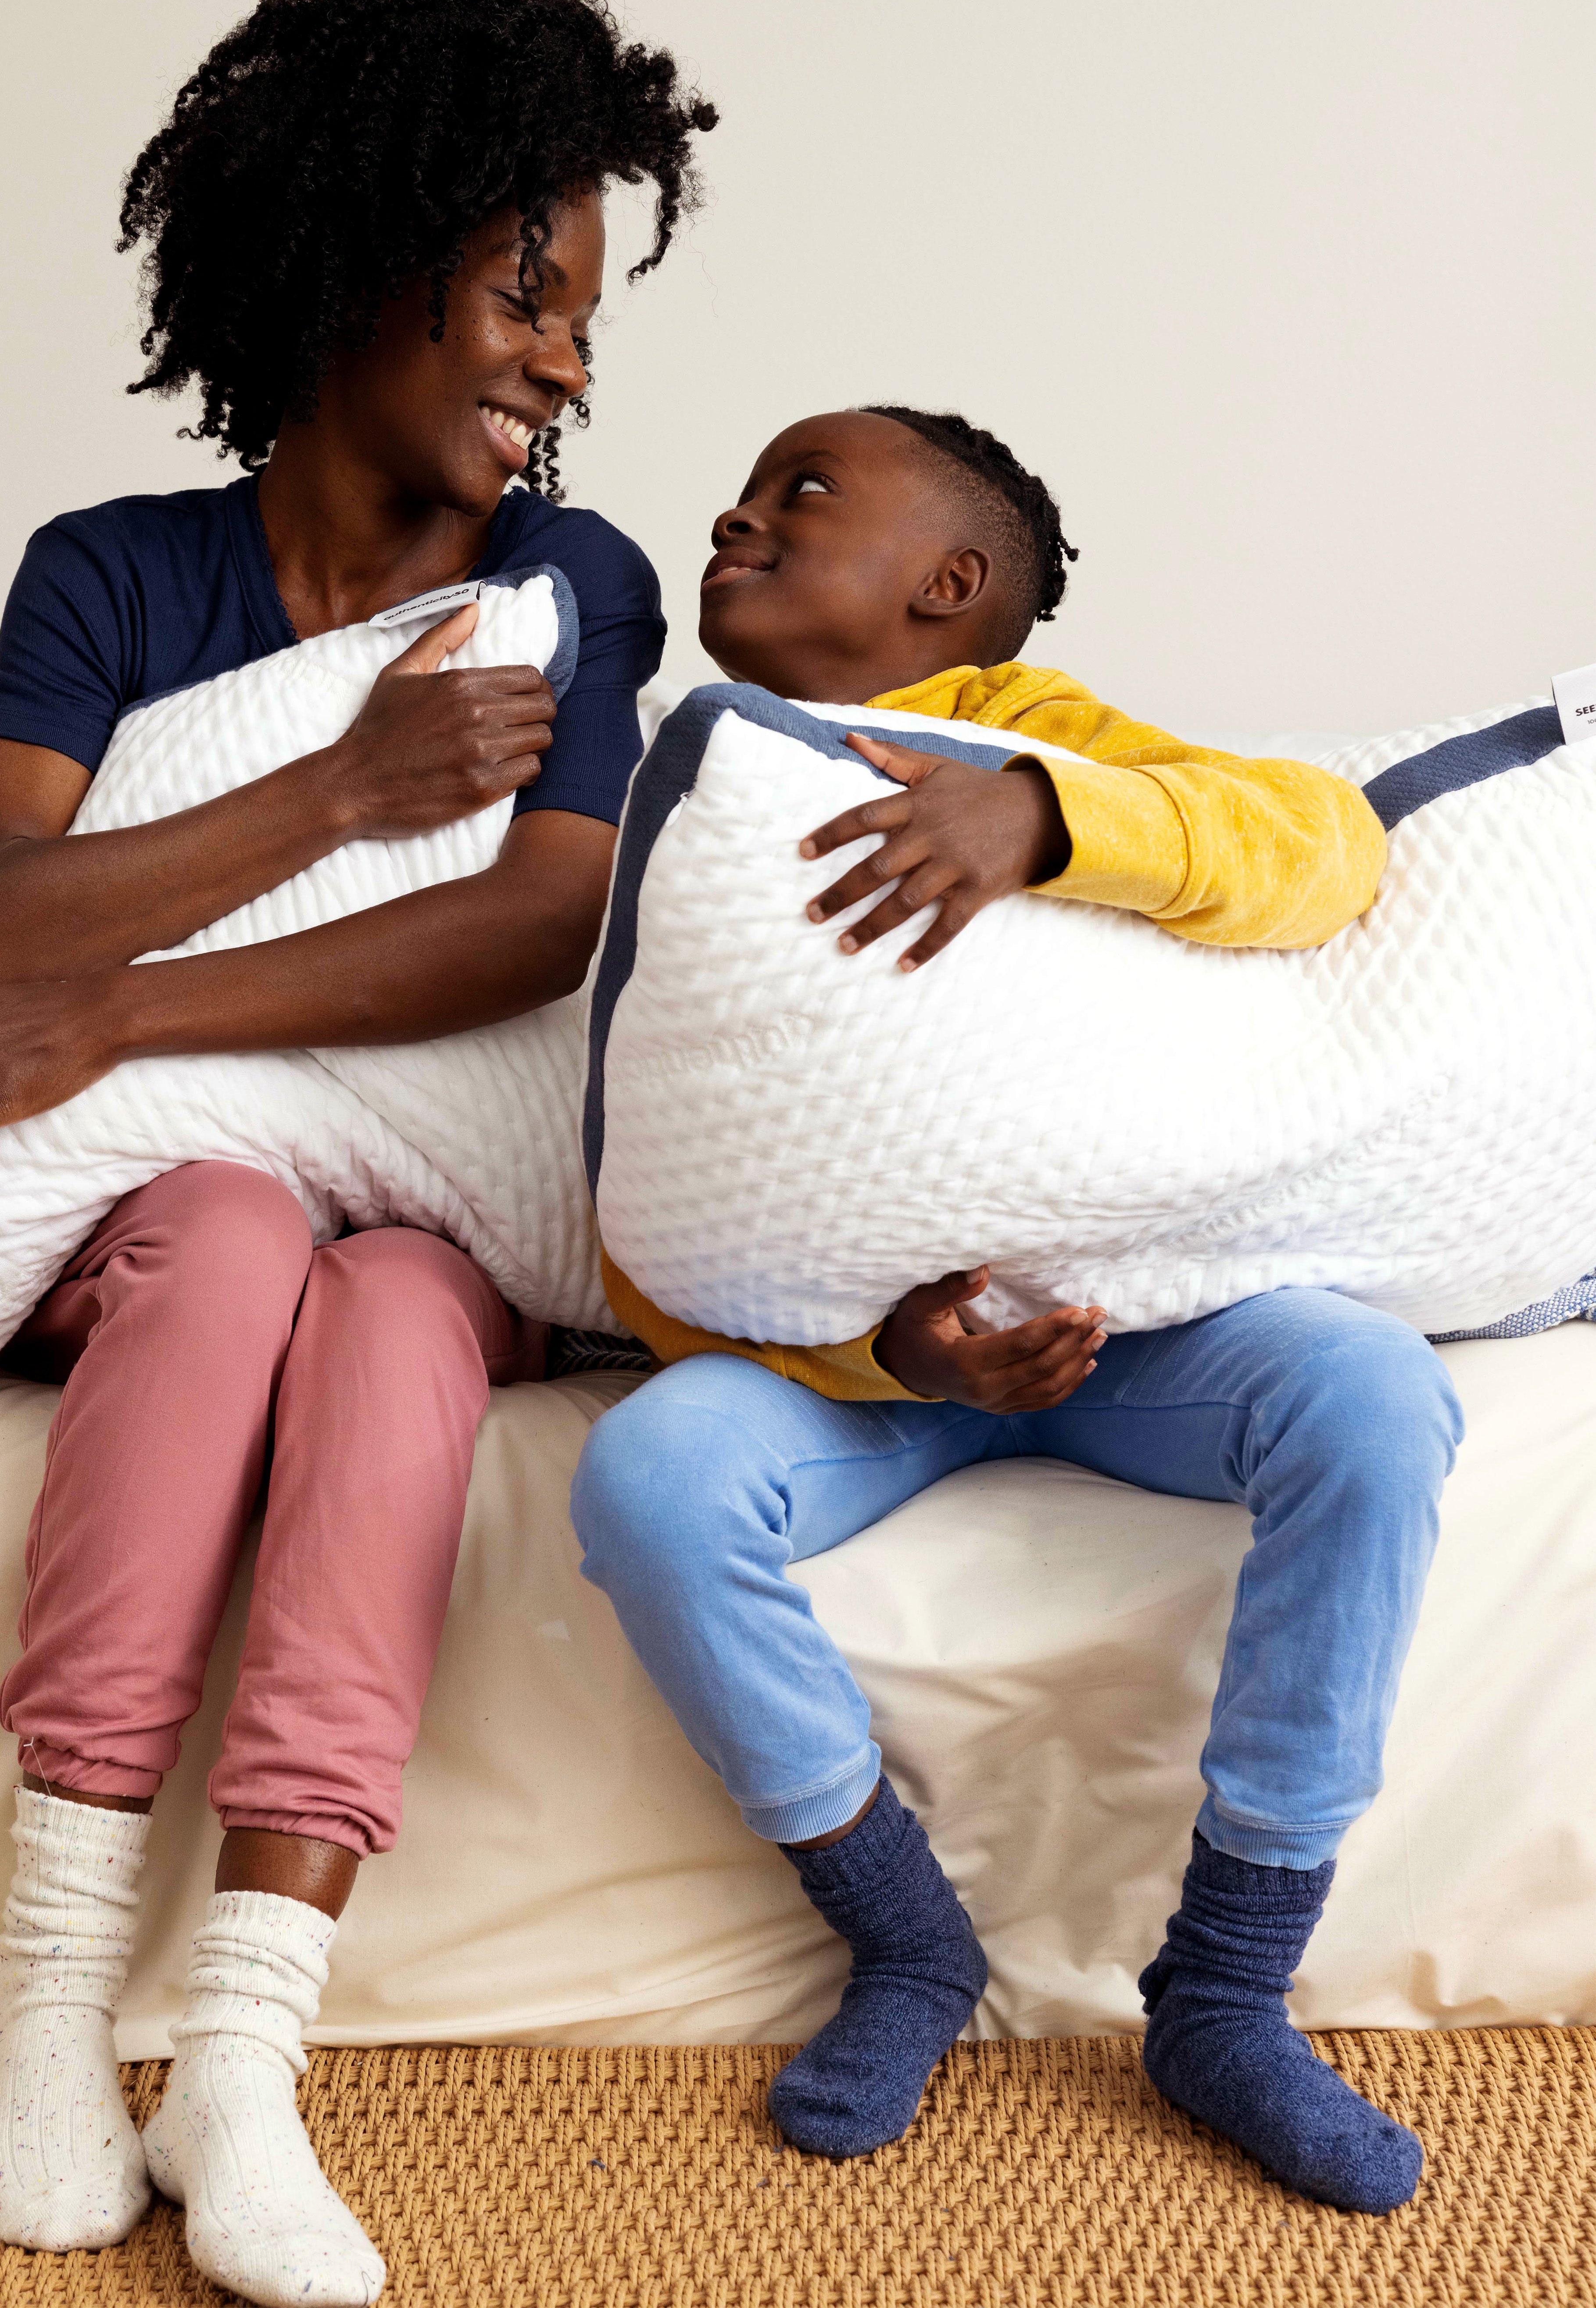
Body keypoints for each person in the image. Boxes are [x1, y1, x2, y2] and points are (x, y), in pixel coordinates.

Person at [0, 0, 713, 2305]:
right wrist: (333, 790)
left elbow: (534, 922)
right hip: (157, 1218)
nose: (563, 365)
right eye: (527, 292)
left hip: (424, 1209)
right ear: (362, 259)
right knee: (212, 1235)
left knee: (392, 1307)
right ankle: (46, 1990)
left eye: (587, 316)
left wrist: (124, 1008)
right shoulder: (115, 575)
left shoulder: (560, 580)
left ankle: (243, 2049)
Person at [571, 405, 1459, 2216]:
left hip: (1141, 1335)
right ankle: (902, 1938)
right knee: (650, 1477)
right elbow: (655, 1214)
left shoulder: (1035, 737)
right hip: (870, 1374)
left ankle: (1223, 1990)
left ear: (950, 589)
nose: (736, 512)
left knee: (1369, 1398)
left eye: (801, 489)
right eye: (746, 488)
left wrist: (1042, 816)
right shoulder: (687, 802)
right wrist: (883, 1349)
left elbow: (1323, 848)